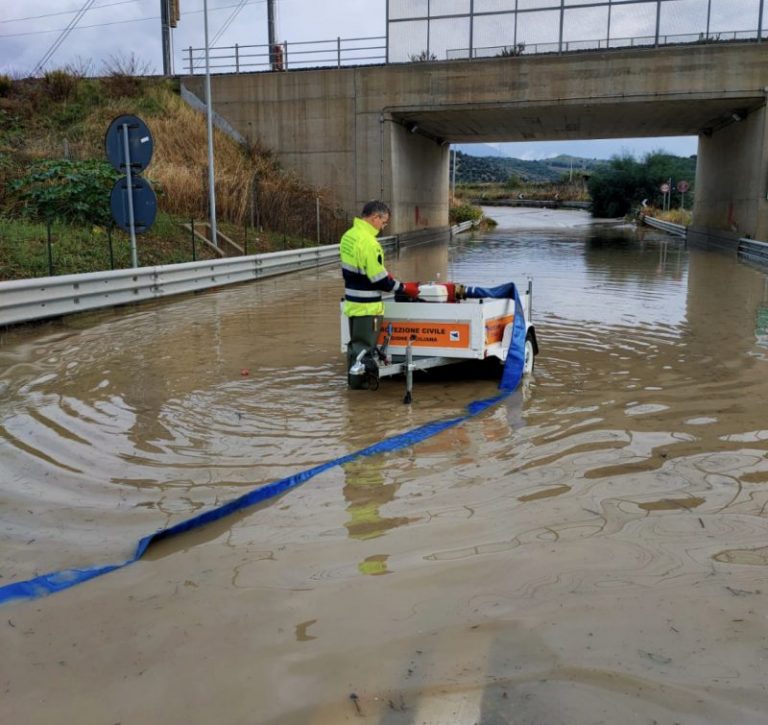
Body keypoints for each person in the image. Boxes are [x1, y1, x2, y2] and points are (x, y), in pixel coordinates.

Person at [340, 201, 419, 389]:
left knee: (355, 346)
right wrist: (405, 288)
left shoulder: (349, 236)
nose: (384, 227)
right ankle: (361, 388)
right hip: (368, 306)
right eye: (384, 222)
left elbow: (360, 270)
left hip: (352, 302)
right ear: (375, 217)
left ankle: (354, 386)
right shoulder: (369, 242)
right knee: (365, 349)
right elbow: (380, 280)